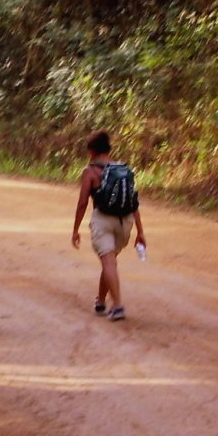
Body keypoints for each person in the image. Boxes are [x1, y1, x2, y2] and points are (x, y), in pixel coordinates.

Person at [71, 131, 146, 321]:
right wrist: (140, 231)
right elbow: (133, 202)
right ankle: (101, 301)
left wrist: (75, 229)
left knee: (109, 262)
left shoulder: (90, 172)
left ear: (91, 151)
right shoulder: (123, 170)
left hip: (103, 220)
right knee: (110, 262)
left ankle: (118, 305)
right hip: (125, 222)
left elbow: (82, 203)